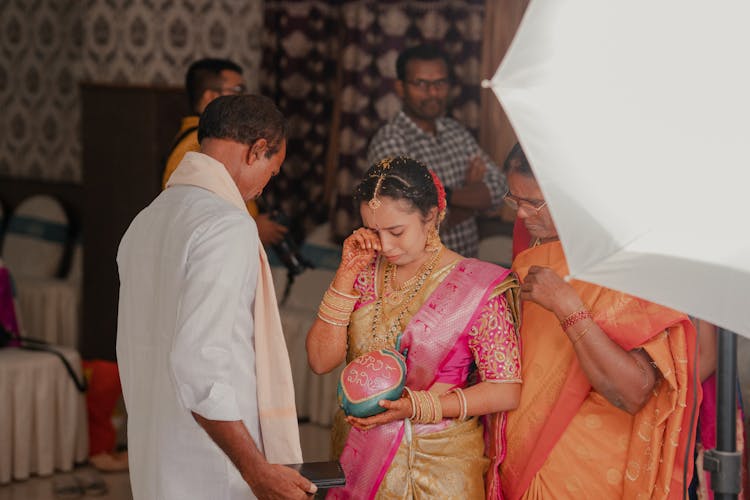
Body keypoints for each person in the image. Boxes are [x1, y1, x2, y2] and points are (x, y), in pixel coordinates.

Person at [117, 95, 316, 500]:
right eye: (270, 171)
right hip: (213, 464)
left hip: (156, 448)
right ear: (257, 149)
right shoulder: (226, 226)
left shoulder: (147, 219)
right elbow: (198, 365)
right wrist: (257, 470)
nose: (265, 185)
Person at [306, 156, 522, 498]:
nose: (385, 245)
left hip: (439, 470)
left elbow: (506, 389)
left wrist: (418, 407)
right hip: (359, 459)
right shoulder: (362, 273)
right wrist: (345, 275)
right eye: (373, 231)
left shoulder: (477, 286)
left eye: (396, 231)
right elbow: (320, 362)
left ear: (431, 217)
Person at [499, 143, 700, 499]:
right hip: (527, 457)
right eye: (515, 200)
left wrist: (566, 307)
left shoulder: (630, 265)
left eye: (535, 203)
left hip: (590, 466)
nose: (522, 215)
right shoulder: (533, 256)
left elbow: (633, 391)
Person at [367, 45, 506, 258]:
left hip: (464, 271)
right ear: (401, 88)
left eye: (440, 83)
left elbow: (499, 187)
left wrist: (441, 196)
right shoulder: (391, 142)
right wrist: (472, 193)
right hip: (418, 281)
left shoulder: (455, 131)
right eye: (421, 83)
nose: (432, 92)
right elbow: (413, 227)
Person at [162, 57, 288, 246]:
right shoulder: (198, 145)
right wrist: (253, 228)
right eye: (238, 90)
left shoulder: (214, 141)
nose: (243, 98)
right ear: (210, 97)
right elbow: (191, 217)